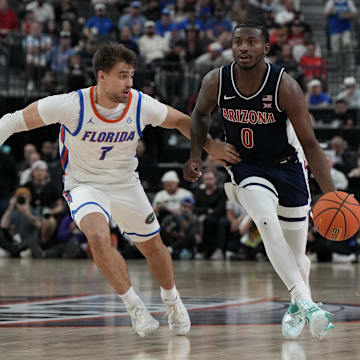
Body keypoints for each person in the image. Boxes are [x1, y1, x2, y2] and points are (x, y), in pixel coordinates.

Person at [0, 42, 239, 337]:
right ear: (101, 76)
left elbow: (180, 120)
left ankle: (172, 300)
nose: (129, 82)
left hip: (126, 183)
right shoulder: (71, 104)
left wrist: (211, 145)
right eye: (122, 75)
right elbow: (11, 121)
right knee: (98, 238)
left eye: (131, 76)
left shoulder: (140, 103)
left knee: (154, 247)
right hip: (84, 184)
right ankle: (134, 307)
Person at [183, 22, 336, 340]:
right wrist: (200, 152)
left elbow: (309, 142)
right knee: (265, 222)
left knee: (296, 254)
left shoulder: (285, 86)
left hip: (288, 167)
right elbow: (198, 114)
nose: (243, 47)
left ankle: (296, 305)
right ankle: (307, 304)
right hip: (246, 166)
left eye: (251, 42)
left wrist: (331, 194)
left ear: (266, 48)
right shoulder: (217, 80)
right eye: (238, 42)